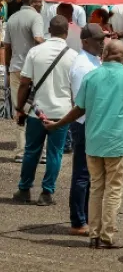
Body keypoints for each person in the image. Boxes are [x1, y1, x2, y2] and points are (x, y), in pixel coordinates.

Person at [43, 40, 123, 248]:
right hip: (117, 143)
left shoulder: (91, 77)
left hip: (94, 142)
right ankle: (107, 235)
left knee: (96, 187)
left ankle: (94, 234)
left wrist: (58, 124)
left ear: (104, 54)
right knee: (113, 190)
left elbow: (79, 109)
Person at [12, 16, 78, 205]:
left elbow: (24, 83)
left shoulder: (35, 52)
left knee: (31, 151)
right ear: (66, 32)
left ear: (49, 29)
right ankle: (46, 193)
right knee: (55, 153)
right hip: (62, 113)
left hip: (37, 111)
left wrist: (19, 108)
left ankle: (24, 189)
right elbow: (75, 88)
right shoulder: (73, 56)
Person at [66, 24, 106, 235]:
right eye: (98, 40)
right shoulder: (83, 65)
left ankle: (86, 217)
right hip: (84, 123)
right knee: (82, 174)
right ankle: (78, 220)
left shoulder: (93, 60)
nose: (102, 43)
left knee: (91, 174)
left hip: (91, 122)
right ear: (85, 41)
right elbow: (83, 101)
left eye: (103, 39)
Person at [3, 0, 45, 162]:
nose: (42, 4)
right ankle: (40, 151)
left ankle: (21, 151)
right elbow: (38, 39)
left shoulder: (12, 18)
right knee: (39, 107)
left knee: (19, 109)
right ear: (33, 2)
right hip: (34, 70)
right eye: (40, 1)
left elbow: (7, 46)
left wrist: (8, 67)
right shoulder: (36, 17)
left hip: (15, 68)